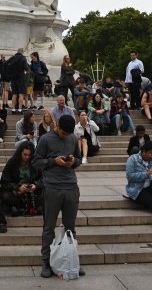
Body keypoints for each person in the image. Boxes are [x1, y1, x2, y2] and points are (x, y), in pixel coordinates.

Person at [34, 114, 85, 279]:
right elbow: (36, 162)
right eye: (63, 133)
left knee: (70, 228)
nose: (65, 137)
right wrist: (53, 162)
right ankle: (46, 261)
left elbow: (78, 159)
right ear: (57, 127)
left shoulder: (72, 138)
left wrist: (73, 161)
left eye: (68, 134)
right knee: (49, 227)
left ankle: (71, 259)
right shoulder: (45, 139)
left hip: (71, 186)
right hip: (52, 187)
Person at [0, 142, 44, 216]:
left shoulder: (35, 163)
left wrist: (35, 185)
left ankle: (19, 209)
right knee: (5, 195)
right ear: (20, 152)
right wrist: (18, 188)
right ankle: (31, 208)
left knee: (48, 194)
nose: (27, 157)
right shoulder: (12, 162)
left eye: (29, 155)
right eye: (25, 154)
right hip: (17, 193)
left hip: (33, 193)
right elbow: (4, 182)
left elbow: (43, 179)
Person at [8, 48, 30, 114]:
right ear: (22, 52)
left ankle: (13, 109)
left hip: (13, 79)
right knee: (21, 94)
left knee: (14, 94)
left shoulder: (12, 58)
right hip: (21, 79)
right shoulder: (23, 58)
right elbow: (26, 68)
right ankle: (20, 109)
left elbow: (6, 64)